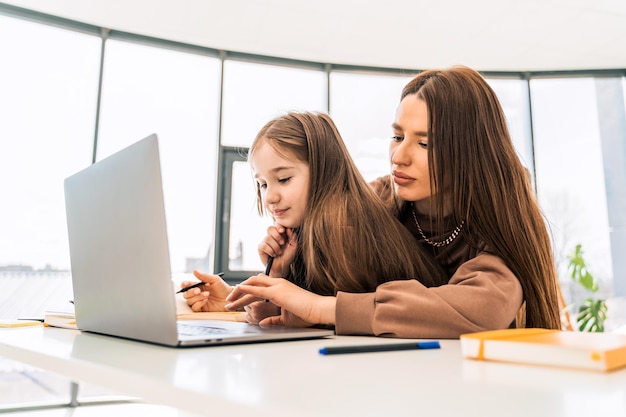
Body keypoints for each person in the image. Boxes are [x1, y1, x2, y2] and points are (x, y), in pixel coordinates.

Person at [224, 66, 562, 338]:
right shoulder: (377, 202)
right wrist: (275, 281)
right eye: (398, 136)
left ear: (470, 153)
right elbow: (309, 309)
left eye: (424, 143)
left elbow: (485, 308)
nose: (399, 156)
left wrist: (322, 308)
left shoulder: (500, 224)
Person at [182, 111, 447, 324]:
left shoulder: (344, 225)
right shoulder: (305, 232)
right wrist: (244, 294)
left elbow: (348, 311)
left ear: (323, 171)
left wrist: (282, 310)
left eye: (283, 179)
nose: (270, 197)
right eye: (263, 184)